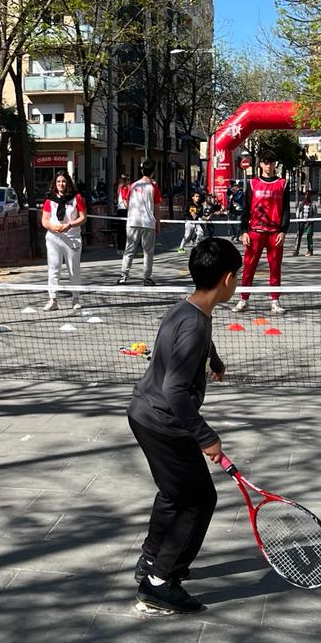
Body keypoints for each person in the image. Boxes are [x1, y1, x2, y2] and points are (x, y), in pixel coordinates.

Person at [127, 235, 239, 616]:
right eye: (237, 276)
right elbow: (174, 389)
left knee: (174, 494)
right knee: (199, 500)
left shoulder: (188, 309)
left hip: (144, 414)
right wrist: (206, 437)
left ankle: (150, 558)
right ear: (227, 280)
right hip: (163, 422)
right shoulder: (195, 325)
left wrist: (215, 361)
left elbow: (194, 344)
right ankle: (160, 583)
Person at [236, 154, 290, 315]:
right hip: (255, 232)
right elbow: (246, 209)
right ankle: (243, 299)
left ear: (275, 164)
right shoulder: (253, 184)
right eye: (265, 163)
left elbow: (286, 210)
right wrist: (244, 231)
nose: (268, 165)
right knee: (249, 267)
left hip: (274, 233)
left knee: (275, 267)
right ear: (260, 164)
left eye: (271, 163)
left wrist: (283, 231)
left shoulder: (282, 184)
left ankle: (275, 301)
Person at [41, 168, 86, 313]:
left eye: (64, 182)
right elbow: (45, 219)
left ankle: (76, 299)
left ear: (68, 183)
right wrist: (52, 227)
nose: (61, 184)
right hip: (54, 238)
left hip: (72, 237)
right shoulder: (50, 199)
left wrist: (70, 225)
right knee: (54, 268)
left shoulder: (76, 198)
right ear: (55, 183)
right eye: (59, 181)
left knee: (73, 269)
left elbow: (83, 217)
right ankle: (53, 299)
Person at [118, 159, 162, 285]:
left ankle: (123, 276)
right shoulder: (154, 188)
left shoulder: (133, 186)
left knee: (129, 250)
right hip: (148, 223)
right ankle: (147, 278)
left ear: (142, 171)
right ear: (153, 172)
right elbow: (157, 209)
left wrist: (132, 211)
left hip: (133, 222)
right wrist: (158, 224)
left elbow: (126, 203)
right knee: (148, 252)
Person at [180, 186, 210, 252]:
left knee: (200, 233)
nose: (198, 198)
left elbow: (201, 215)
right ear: (193, 197)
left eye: (199, 196)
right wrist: (190, 215)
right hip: (189, 221)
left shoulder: (200, 206)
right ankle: (181, 247)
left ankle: (196, 245)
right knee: (187, 235)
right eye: (196, 196)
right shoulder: (189, 204)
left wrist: (204, 218)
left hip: (196, 222)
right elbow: (186, 213)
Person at [293, 188, 316, 256]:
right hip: (302, 222)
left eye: (309, 195)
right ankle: (296, 250)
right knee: (298, 236)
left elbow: (315, 213)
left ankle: (310, 250)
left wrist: (312, 219)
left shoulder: (313, 204)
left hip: (310, 222)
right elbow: (298, 212)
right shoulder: (301, 204)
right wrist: (298, 219)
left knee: (309, 235)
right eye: (306, 194)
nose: (307, 196)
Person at [113, 172, 131, 250]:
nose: (129, 181)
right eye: (128, 180)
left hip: (120, 209)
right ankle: (122, 246)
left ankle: (121, 246)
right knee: (123, 229)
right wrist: (129, 209)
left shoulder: (121, 188)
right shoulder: (124, 188)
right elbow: (124, 200)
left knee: (122, 229)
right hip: (123, 209)